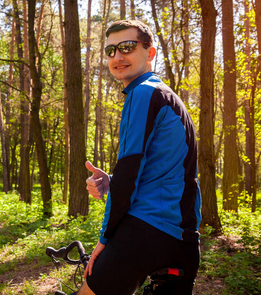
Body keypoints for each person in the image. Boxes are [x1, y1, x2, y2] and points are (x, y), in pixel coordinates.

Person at [77, 20, 201, 295]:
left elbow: (130, 170)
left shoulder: (143, 93)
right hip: (184, 237)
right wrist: (111, 181)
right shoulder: (167, 96)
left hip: (147, 229)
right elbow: (162, 172)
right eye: (110, 50)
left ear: (150, 53)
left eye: (127, 47)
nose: (117, 56)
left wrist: (104, 240)